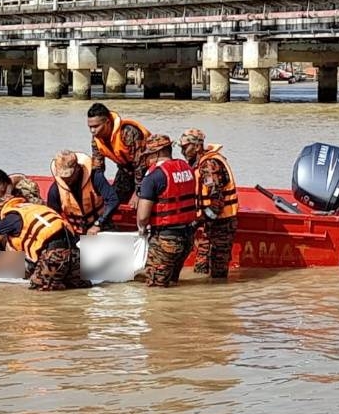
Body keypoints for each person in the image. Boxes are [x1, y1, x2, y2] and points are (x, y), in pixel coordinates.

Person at [0, 196, 91, 291]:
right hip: (76, 255)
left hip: (54, 255)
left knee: (39, 289)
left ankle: (55, 285)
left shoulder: (10, 217)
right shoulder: (37, 209)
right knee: (80, 287)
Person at [135, 135, 197, 287]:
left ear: (156, 153)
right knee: (172, 283)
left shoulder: (153, 177)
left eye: (148, 155)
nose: (146, 159)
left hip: (165, 240)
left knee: (156, 289)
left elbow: (143, 216)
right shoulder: (187, 168)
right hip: (187, 238)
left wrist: (141, 229)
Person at [179, 128, 239, 279]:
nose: (182, 151)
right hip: (207, 224)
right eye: (181, 147)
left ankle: (218, 299)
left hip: (220, 225)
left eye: (185, 147)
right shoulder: (199, 163)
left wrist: (196, 222)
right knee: (201, 267)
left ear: (197, 146)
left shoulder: (209, 165)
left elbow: (217, 203)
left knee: (218, 272)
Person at [86, 102, 151, 206]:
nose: (92, 131)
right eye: (90, 127)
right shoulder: (96, 139)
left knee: (140, 202)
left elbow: (141, 164)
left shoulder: (128, 132)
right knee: (113, 201)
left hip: (149, 171)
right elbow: (98, 168)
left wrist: (139, 192)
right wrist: (96, 190)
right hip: (126, 170)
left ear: (107, 122)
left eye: (96, 126)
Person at [47, 150, 120, 236]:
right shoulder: (55, 190)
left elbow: (113, 200)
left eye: (69, 176)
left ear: (77, 168)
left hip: (101, 225)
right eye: (63, 177)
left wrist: (98, 224)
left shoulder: (95, 177)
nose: (66, 180)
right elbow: (53, 216)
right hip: (75, 232)